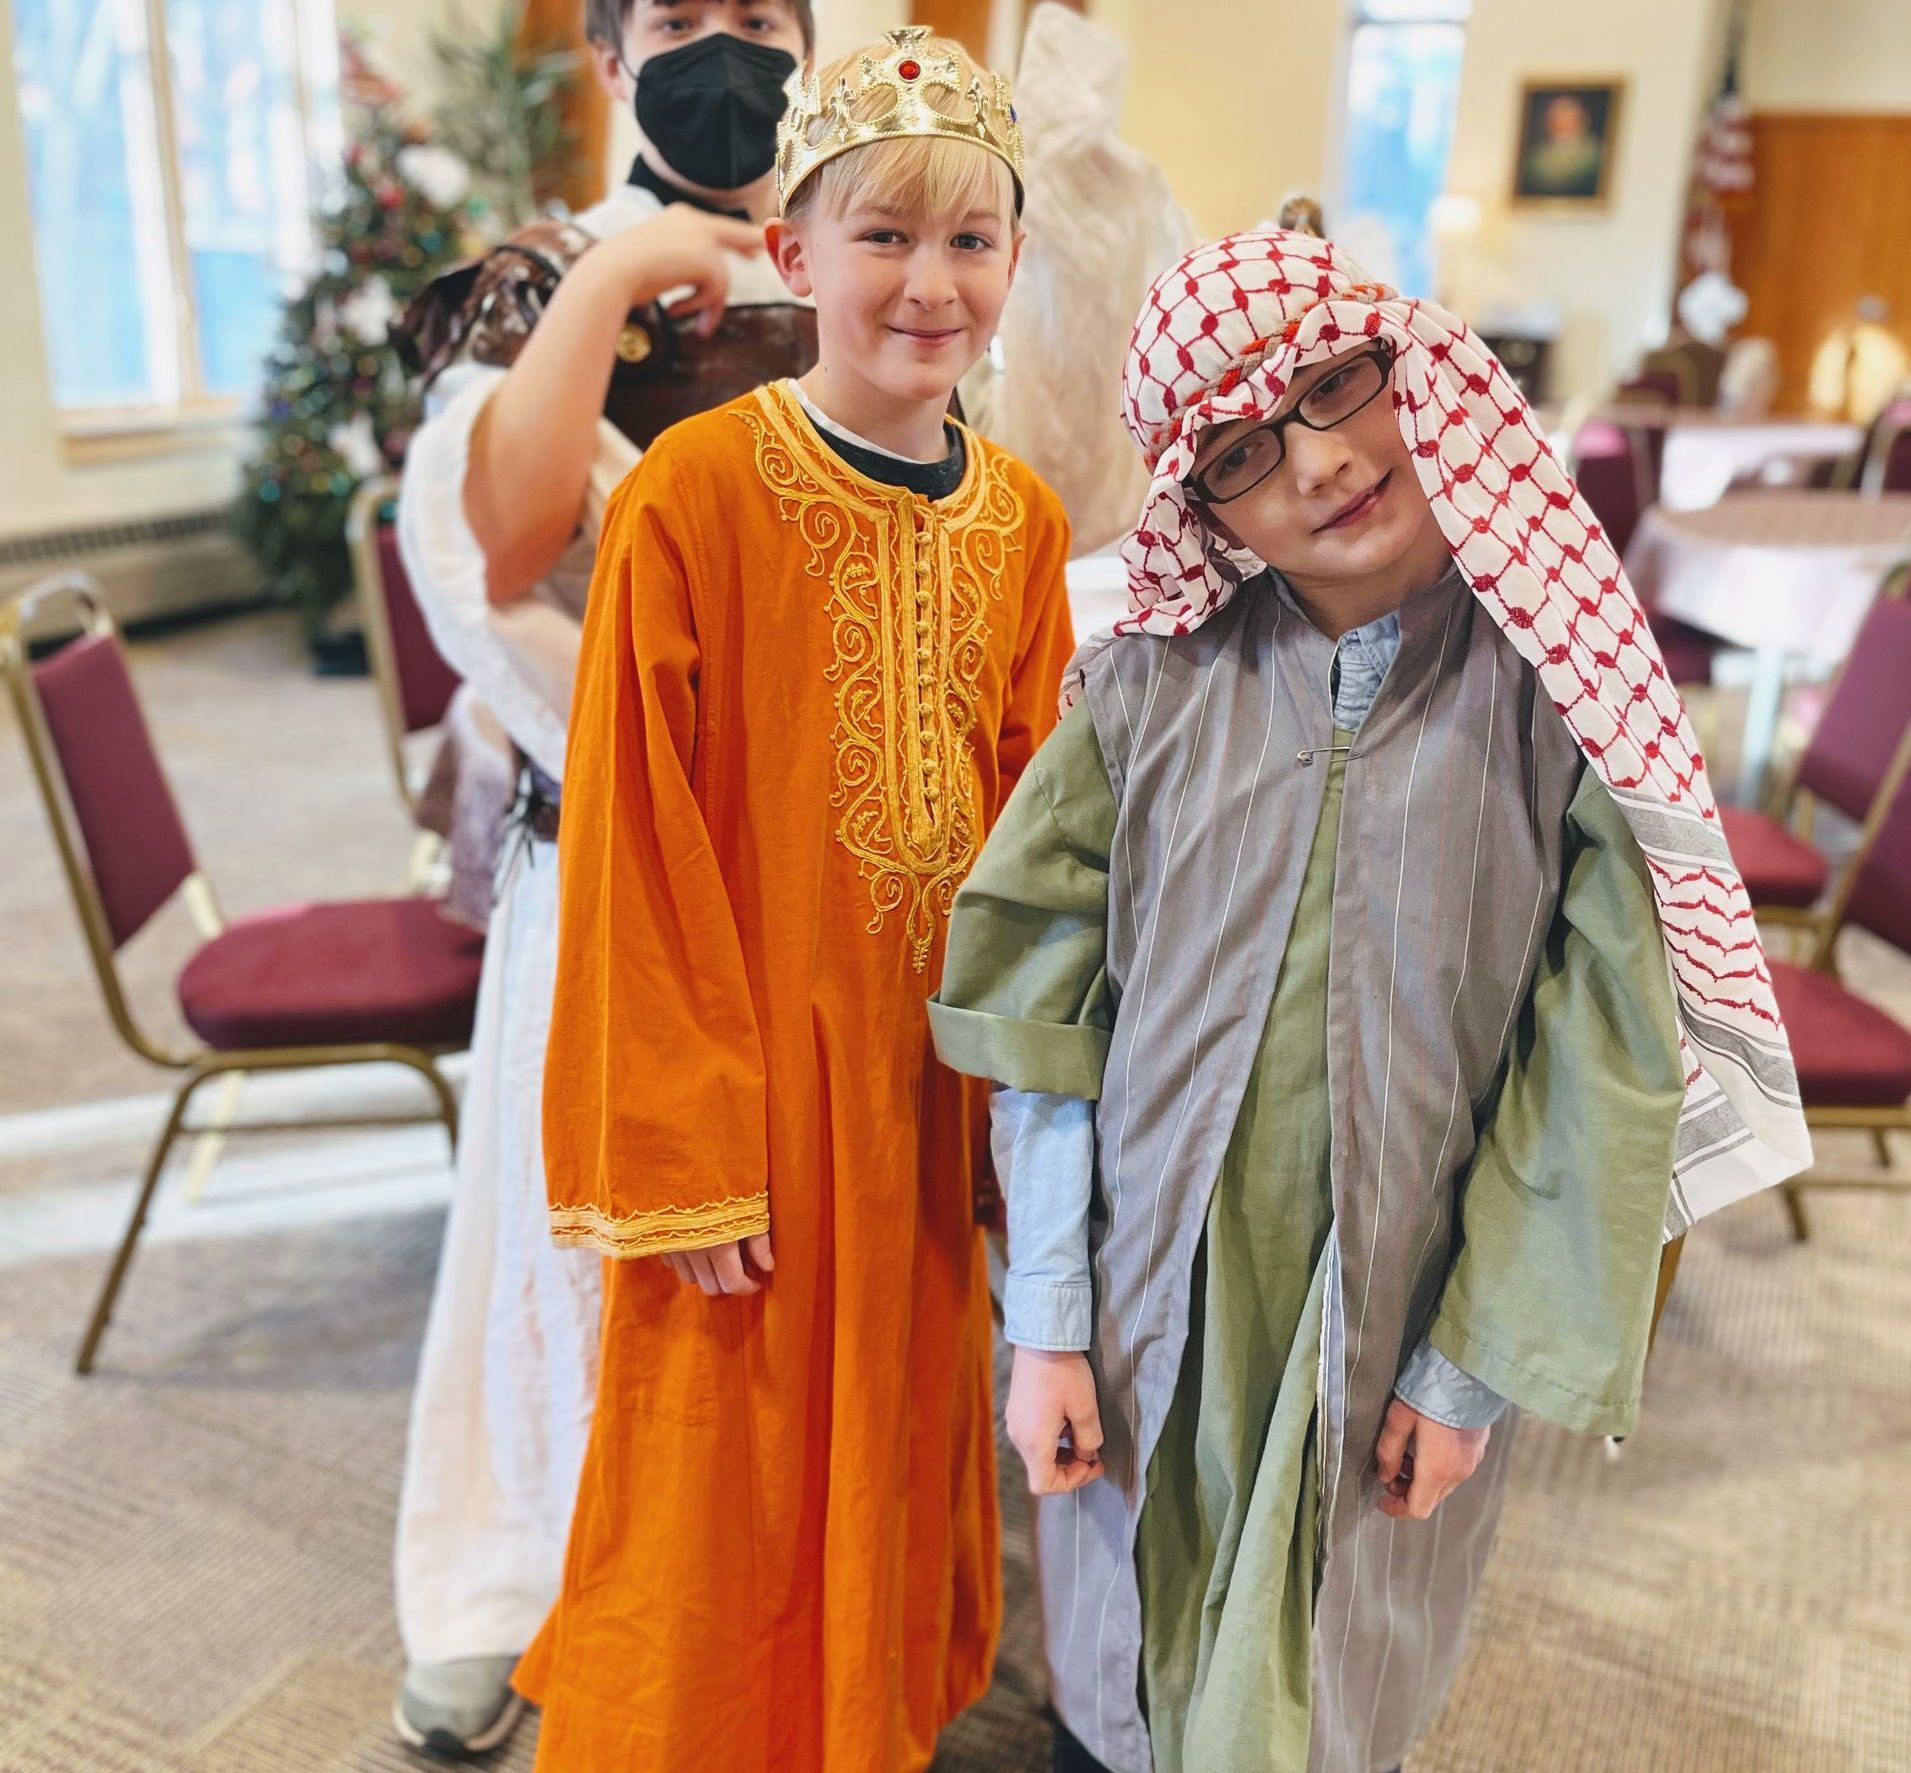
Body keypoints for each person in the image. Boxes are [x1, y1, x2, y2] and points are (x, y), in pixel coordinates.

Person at [930, 229, 1810, 1773]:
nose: (1324, 460)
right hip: (1150, 1310)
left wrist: (1469, 1370)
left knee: (1332, 1681)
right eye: (1248, 452)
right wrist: (1052, 1322)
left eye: (1338, 386)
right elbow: (1042, 1021)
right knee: (1127, 1673)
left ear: (1412, 374)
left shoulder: (1551, 699)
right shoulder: (1147, 688)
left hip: (1399, 1314)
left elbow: (1594, 1070)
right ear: (1204, 512)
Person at [518, 30, 1076, 1772]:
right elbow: (637, 841)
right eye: (885, 236)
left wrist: (1027, 1128)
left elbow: (1037, 839)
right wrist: (685, 1148)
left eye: (971, 241)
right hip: (756, 1106)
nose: (930, 282)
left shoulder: (1026, 523)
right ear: (795, 254)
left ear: (1013, 268)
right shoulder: (694, 494)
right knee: (723, 1484)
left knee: (900, 1461)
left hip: (921, 1100)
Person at [389, 0, 818, 1754]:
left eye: (762, 20)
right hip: (609, 860)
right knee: (576, 1251)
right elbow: (499, 542)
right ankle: (530, 1568)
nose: (725, 50)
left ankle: (765, 1587)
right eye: (682, 20)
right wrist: (614, 274)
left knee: (788, 1252)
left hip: (810, 859)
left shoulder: (874, 241)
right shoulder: (537, 276)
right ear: (609, 54)